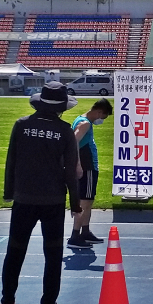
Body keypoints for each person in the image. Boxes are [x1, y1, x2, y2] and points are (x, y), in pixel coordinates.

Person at [0, 81, 82, 304]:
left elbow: (11, 161)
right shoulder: (65, 131)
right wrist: (75, 204)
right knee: (53, 254)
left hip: (24, 198)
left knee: (15, 251)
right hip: (53, 201)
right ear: (62, 107)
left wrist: (9, 192)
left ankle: (7, 301)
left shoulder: (22, 125)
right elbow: (70, 172)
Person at [68, 98, 113, 248]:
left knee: (89, 201)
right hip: (86, 168)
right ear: (99, 112)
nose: (102, 120)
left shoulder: (83, 121)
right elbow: (74, 141)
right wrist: (78, 164)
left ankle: (85, 232)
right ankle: (75, 235)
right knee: (84, 202)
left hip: (89, 167)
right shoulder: (85, 123)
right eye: (103, 117)